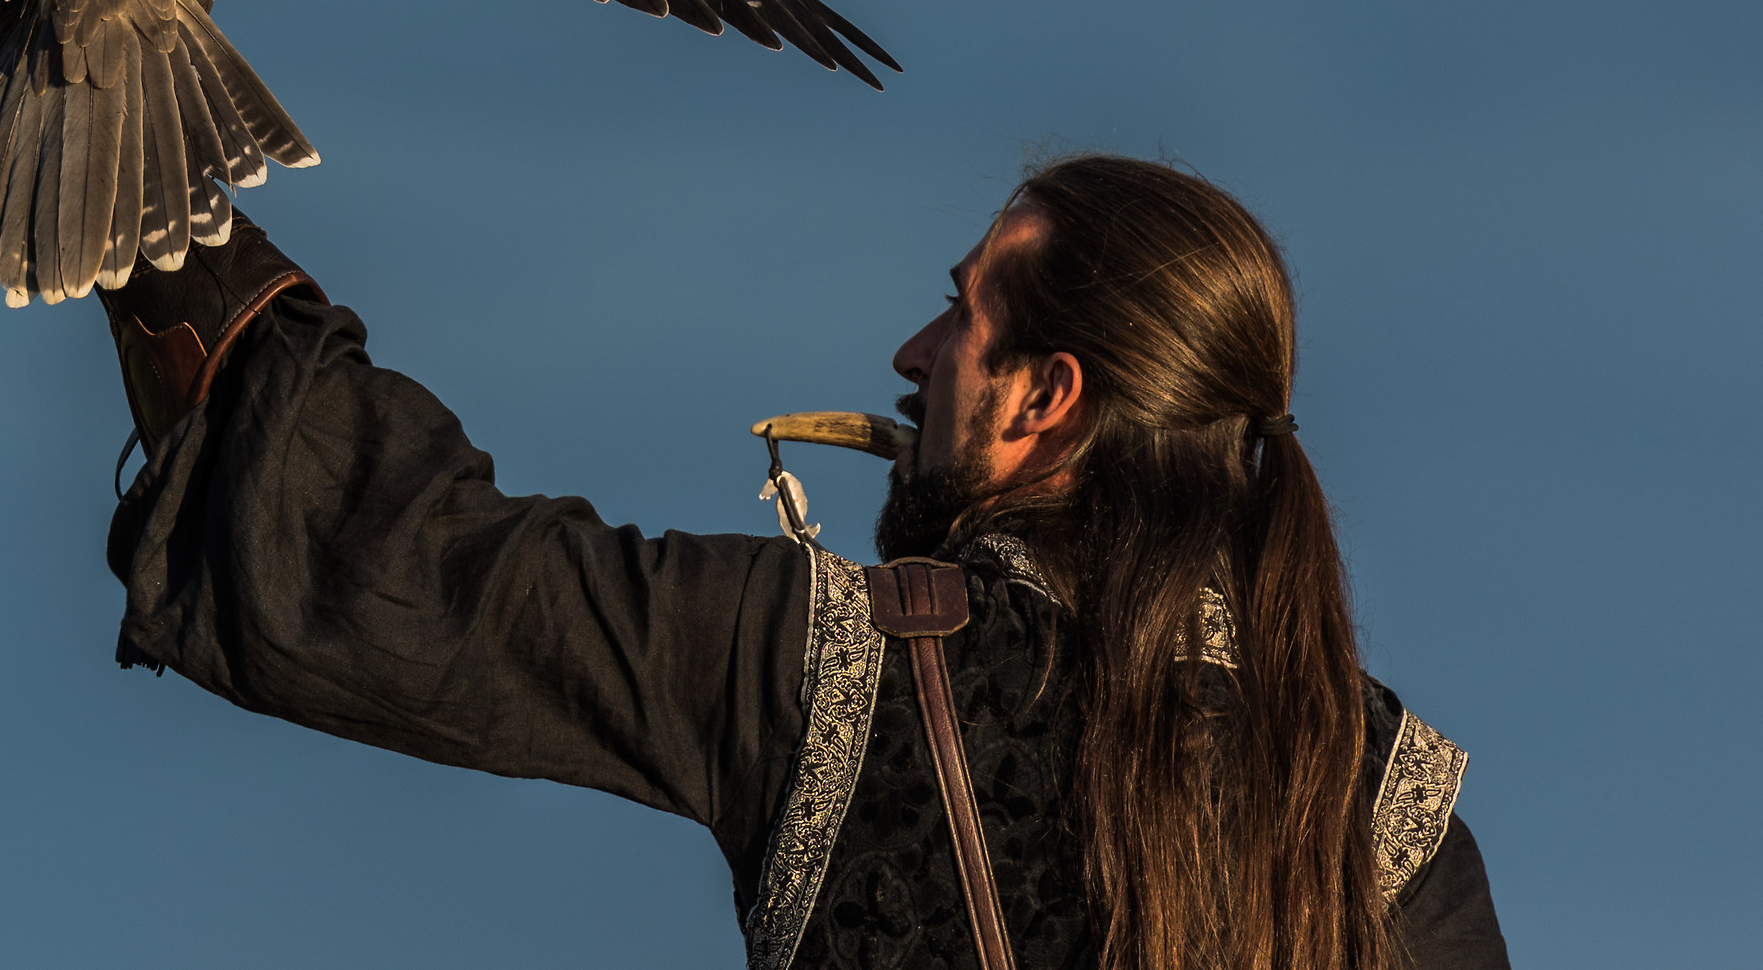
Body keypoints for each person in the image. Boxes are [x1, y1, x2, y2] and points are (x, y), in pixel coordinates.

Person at [96, 155, 1511, 969]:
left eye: (959, 315)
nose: (911, 356)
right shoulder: (1393, 808)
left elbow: (400, 565)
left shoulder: (823, 661)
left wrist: (128, 150)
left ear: (1042, 398)